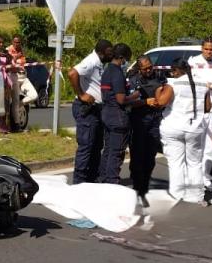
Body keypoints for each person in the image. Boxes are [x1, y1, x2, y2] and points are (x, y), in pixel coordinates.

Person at [68, 40, 113, 184]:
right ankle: (79, 182)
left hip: (97, 109)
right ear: (101, 52)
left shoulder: (100, 62)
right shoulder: (91, 61)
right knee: (86, 146)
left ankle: (92, 178)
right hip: (86, 109)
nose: (111, 54)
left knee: (96, 146)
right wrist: (81, 94)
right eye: (109, 52)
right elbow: (72, 73)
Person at [160, 57, 204, 201]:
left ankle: (177, 194)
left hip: (173, 127)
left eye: (173, 71)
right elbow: (208, 107)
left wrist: (158, 90)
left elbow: (161, 102)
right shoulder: (203, 83)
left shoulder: (173, 84)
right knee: (195, 163)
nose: (172, 74)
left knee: (176, 163)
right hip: (195, 127)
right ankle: (196, 195)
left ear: (177, 70)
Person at [188, 38, 212, 195]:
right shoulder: (194, 62)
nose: (209, 52)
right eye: (206, 49)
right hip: (199, 107)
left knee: (211, 145)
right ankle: (193, 179)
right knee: (197, 144)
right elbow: (190, 82)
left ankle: (206, 178)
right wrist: (207, 85)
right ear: (202, 48)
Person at [128, 56, 168, 202]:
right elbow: (129, 102)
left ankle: (145, 182)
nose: (149, 70)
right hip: (139, 120)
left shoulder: (159, 76)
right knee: (137, 154)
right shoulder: (134, 80)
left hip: (155, 120)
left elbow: (165, 93)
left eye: (150, 66)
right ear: (139, 69)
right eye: (145, 68)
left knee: (150, 154)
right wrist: (145, 102)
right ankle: (137, 185)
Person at [99, 43, 139, 184]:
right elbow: (121, 99)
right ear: (121, 58)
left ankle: (104, 177)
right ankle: (112, 181)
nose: (126, 62)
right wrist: (135, 96)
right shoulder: (117, 73)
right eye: (126, 59)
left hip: (107, 114)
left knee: (108, 149)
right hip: (117, 116)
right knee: (117, 151)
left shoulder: (107, 70)